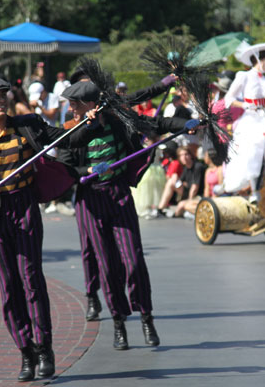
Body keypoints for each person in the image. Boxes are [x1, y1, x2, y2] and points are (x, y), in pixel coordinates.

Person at [0, 76, 98, 382]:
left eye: (3, 95)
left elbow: (67, 139)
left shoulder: (29, 125)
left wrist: (90, 122)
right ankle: (26, 352)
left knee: (31, 279)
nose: (0, 101)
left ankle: (45, 349)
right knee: (9, 287)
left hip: (25, 207)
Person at [60, 80, 189, 351]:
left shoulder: (118, 119)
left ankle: (146, 317)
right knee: (107, 266)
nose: (70, 109)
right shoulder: (70, 129)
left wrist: (187, 125)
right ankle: (118, 322)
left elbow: (154, 125)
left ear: (91, 105)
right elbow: (66, 164)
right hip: (90, 200)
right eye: (70, 104)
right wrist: (86, 172)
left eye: (75, 104)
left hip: (118, 194)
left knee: (133, 261)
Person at [221, 42, 265, 201]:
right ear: (259, 60)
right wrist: (244, 105)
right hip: (252, 119)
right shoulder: (244, 76)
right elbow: (229, 99)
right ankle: (254, 189)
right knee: (256, 145)